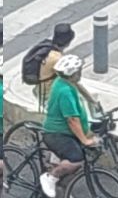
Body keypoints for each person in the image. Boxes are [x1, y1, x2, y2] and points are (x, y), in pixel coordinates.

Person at [39, 54, 98, 198]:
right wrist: (84, 140)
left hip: (65, 132)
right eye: (79, 70)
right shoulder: (65, 92)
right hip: (57, 133)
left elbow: (79, 86)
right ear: (74, 73)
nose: (81, 72)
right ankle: (51, 177)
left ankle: (62, 191)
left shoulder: (64, 81)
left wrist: (92, 101)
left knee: (73, 161)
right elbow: (72, 120)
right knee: (76, 160)